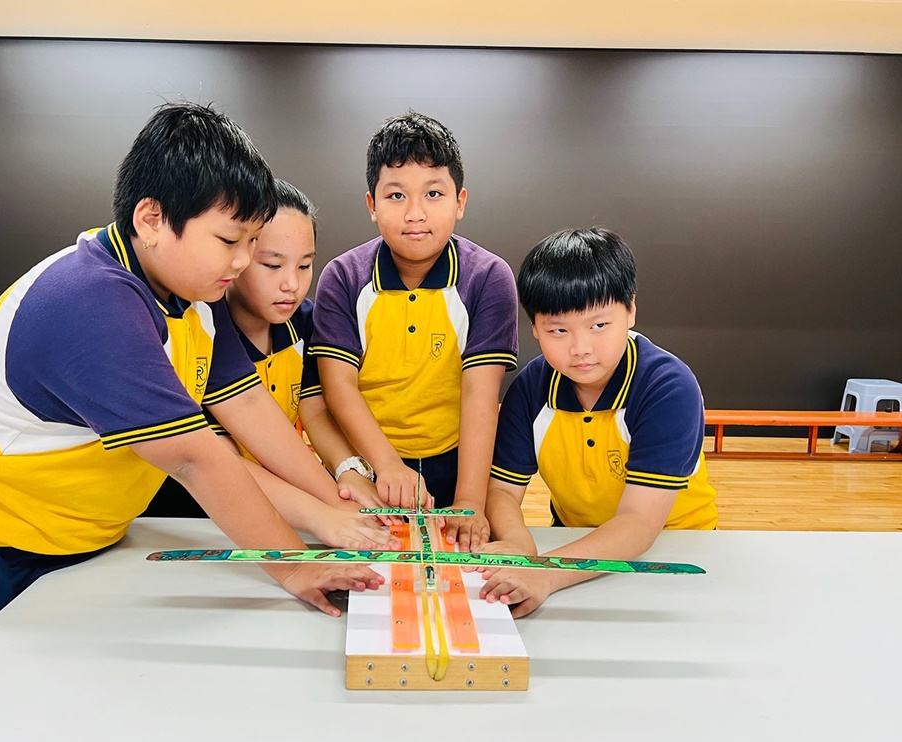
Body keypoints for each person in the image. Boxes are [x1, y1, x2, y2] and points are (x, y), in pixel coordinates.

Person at [0, 103, 384, 693]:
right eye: (229, 240)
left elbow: (248, 406)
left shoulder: (195, 295)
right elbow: (194, 458)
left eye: (251, 242)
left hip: (82, 537)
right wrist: (295, 566)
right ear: (152, 218)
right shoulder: (91, 302)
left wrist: (337, 508)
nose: (240, 262)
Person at [479, 228, 718, 617]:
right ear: (535, 328)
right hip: (573, 549)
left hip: (677, 549)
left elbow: (639, 522)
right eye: (558, 330)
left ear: (630, 310)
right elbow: (502, 491)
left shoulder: (668, 387)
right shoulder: (531, 388)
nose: (581, 349)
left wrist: (545, 572)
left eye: (599, 325)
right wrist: (519, 544)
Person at [310, 110, 519, 550]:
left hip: (457, 463)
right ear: (372, 205)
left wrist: (470, 500)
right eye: (396, 196)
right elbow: (338, 386)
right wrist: (385, 465)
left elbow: (480, 394)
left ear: (460, 202)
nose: (415, 213)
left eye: (434, 193)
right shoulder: (342, 276)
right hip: (367, 464)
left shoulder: (488, 277)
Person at [146, 179, 385, 518]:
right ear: (237, 256)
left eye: (304, 265)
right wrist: (326, 513)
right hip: (196, 513)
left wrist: (347, 470)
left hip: (292, 500)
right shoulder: (201, 329)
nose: (292, 284)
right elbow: (221, 460)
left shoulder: (306, 322)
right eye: (273, 265)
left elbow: (314, 410)